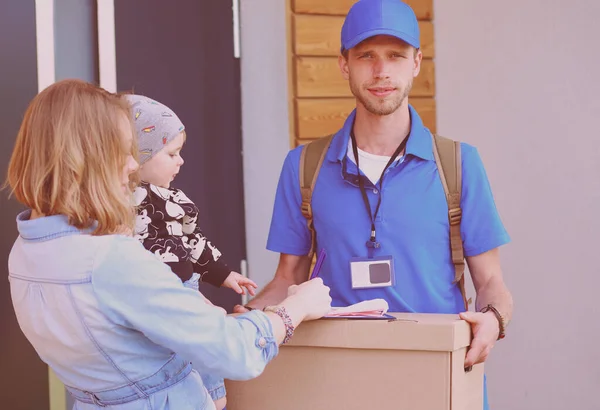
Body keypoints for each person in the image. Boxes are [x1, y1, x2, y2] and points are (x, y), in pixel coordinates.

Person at [235, 1, 513, 409]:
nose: (381, 72)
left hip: (436, 374)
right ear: (344, 64)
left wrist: (494, 320)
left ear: (416, 62)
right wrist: (242, 319)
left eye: (395, 56)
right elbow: (286, 279)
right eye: (366, 56)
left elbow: (491, 282)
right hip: (335, 378)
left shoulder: (458, 165)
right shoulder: (304, 168)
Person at [6, 79, 332, 410]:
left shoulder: (26, 252)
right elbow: (236, 352)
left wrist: (184, 309)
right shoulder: (110, 259)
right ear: (87, 159)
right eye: (123, 152)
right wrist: (298, 306)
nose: (134, 166)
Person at [127, 93, 257, 410]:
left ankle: (212, 399)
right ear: (138, 156)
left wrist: (224, 274)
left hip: (187, 289)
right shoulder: (121, 203)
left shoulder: (176, 200)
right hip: (156, 294)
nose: (180, 161)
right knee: (178, 360)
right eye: (172, 153)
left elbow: (195, 242)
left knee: (208, 370)